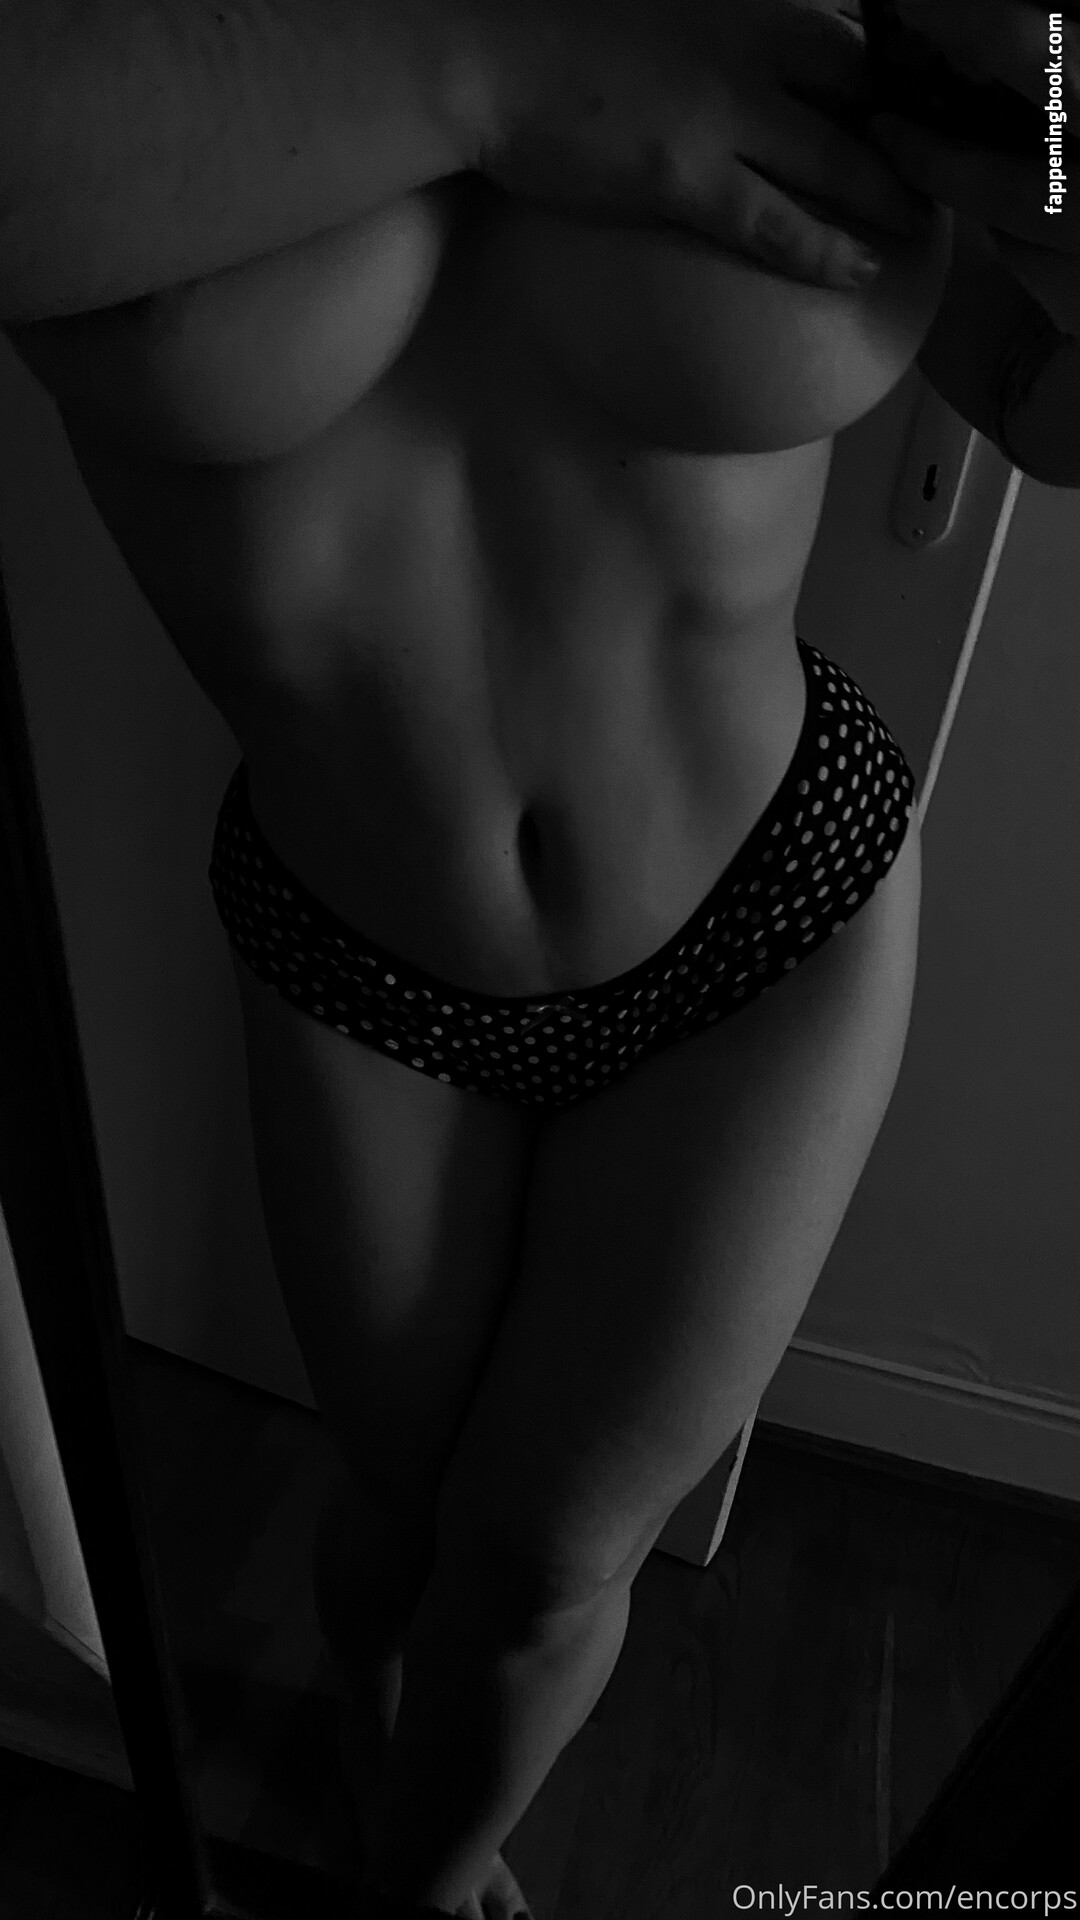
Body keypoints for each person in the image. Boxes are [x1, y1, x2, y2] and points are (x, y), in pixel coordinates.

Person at [2, 1, 1078, 1914]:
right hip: (361, 971)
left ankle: (422, 1878)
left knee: (542, 1568)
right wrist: (505, 72)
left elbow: (1040, 377)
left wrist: (1071, 154)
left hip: (772, 922)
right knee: (404, 1505)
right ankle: (373, 1719)